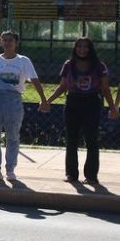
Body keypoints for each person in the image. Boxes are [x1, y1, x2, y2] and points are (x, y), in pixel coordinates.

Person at [0, 31, 50, 182]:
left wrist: (43, 100)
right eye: (5, 40)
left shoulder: (24, 61)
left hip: (14, 102)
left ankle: (10, 169)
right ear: (1, 42)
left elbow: (35, 80)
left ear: (16, 43)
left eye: (11, 40)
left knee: (13, 136)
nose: (7, 43)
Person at [46, 38, 117, 185]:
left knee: (91, 140)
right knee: (71, 139)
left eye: (85, 46)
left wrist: (113, 107)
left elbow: (105, 88)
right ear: (75, 48)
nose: (82, 49)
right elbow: (62, 87)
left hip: (92, 103)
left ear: (90, 48)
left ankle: (91, 176)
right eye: (79, 46)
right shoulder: (69, 65)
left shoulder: (99, 66)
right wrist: (48, 100)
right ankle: (71, 174)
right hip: (73, 102)